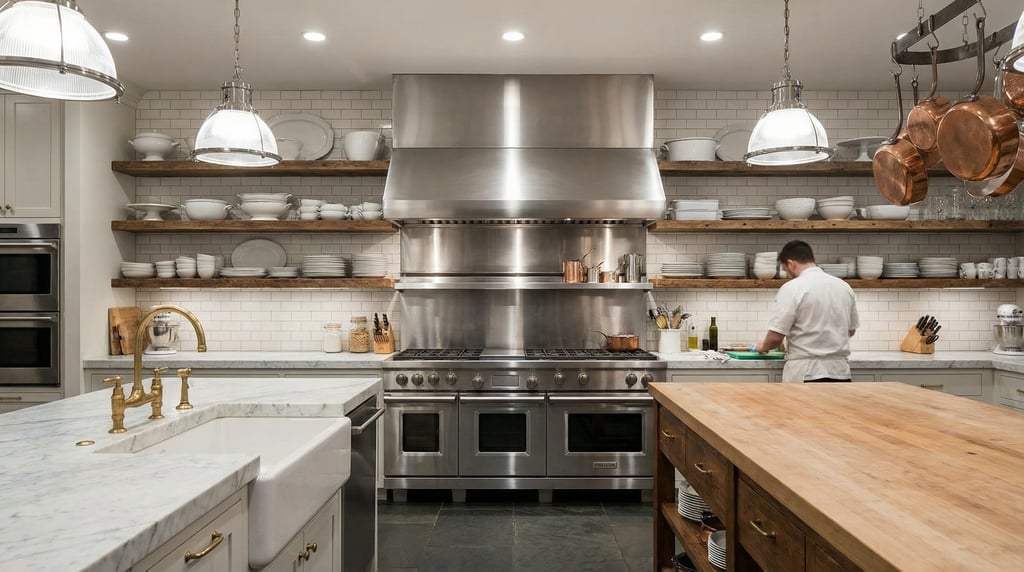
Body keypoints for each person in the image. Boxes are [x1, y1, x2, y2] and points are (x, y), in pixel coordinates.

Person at [754, 240, 859, 382]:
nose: (787, 274)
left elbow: (775, 337)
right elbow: (851, 331)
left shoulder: (792, 288)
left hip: (807, 372)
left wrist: (763, 346)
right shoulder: (844, 287)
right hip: (839, 372)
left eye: (785, 269)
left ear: (791, 264)